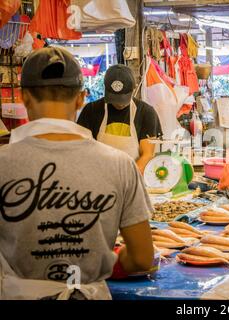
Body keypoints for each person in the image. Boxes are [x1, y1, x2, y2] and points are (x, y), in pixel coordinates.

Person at [0, 47, 154, 300]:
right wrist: (102, 261)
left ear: (24, 97)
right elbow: (141, 258)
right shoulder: (121, 165)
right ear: (81, 98)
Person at [77, 64, 162, 175]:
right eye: (114, 98)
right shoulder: (91, 110)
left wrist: (129, 178)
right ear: (105, 89)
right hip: (98, 177)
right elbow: (82, 149)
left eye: (123, 98)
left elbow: (147, 155)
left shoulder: (146, 113)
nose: (119, 104)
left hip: (133, 178)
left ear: (134, 88)